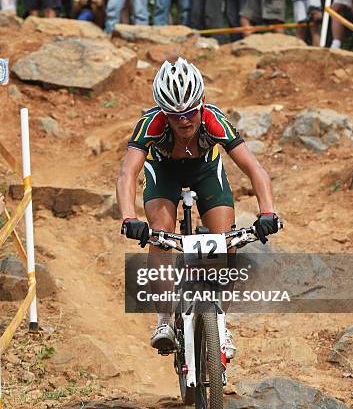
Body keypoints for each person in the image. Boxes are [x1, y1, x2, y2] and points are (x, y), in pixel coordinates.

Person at [117, 58, 279, 354]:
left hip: (205, 171)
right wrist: (129, 217)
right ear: (163, 113)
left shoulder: (214, 119)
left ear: (201, 103)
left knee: (225, 240)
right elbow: (128, 173)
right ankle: (164, 318)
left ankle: (219, 323)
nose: (184, 121)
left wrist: (268, 212)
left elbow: (254, 168)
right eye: (174, 115)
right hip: (163, 173)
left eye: (190, 111)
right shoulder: (150, 124)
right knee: (161, 235)